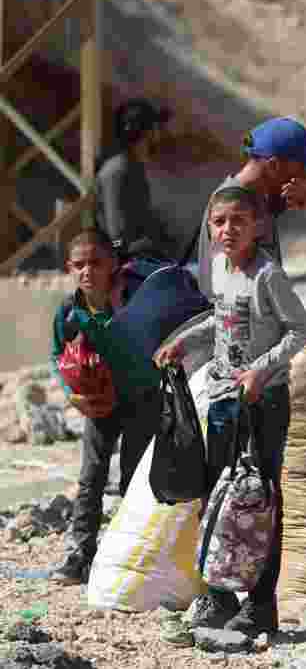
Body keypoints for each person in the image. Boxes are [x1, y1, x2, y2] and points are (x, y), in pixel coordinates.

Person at [155, 186, 306, 636]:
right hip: (225, 399)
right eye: (220, 221)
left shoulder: (268, 275)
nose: (228, 229)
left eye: (238, 221)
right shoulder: (221, 268)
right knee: (217, 494)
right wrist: (183, 341)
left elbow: (300, 329)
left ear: (258, 227)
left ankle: (261, 605)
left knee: (257, 499)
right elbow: (219, 317)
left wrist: (261, 372)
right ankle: (219, 594)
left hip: (264, 404)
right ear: (210, 228)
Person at [49, 229, 163, 585]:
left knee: (134, 478)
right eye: (79, 265)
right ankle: (81, 554)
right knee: (90, 478)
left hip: (142, 399)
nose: (87, 271)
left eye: (95, 263)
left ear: (113, 264)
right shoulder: (70, 312)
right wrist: (73, 395)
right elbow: (58, 355)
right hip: (99, 405)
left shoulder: (135, 301)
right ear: (69, 267)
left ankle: (129, 555)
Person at [189, 116, 306, 296]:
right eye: (301, 169)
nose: (303, 176)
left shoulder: (257, 198)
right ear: (274, 165)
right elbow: (236, 295)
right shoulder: (234, 207)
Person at [95, 99, 173, 259]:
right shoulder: (117, 170)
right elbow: (118, 237)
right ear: (144, 133)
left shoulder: (133, 167)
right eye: (155, 129)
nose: (160, 135)